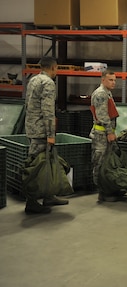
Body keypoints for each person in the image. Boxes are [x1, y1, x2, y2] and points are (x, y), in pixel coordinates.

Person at [24, 56, 69, 214]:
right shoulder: (48, 83)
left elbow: (28, 104)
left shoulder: (34, 80)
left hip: (32, 127)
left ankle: (49, 196)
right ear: (54, 68)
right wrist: (51, 133)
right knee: (37, 166)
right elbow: (48, 110)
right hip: (42, 131)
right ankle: (32, 201)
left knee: (46, 163)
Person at [89, 69, 123, 202]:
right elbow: (102, 116)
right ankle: (102, 192)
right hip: (101, 134)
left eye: (115, 80)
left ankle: (108, 189)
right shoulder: (101, 94)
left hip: (106, 133)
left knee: (107, 162)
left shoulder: (107, 93)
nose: (114, 82)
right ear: (103, 79)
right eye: (111, 80)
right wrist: (109, 132)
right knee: (100, 162)